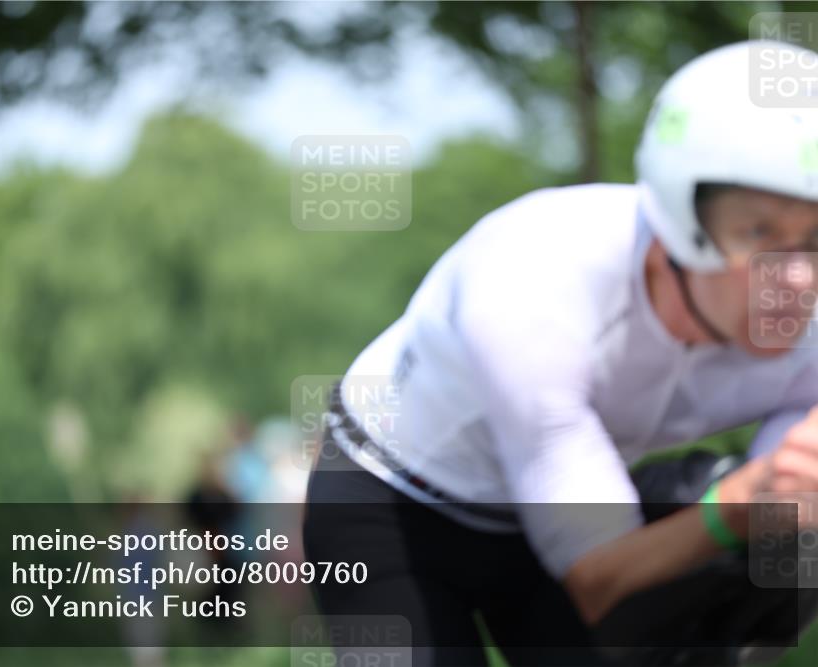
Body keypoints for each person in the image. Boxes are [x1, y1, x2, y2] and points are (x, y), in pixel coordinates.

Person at [302, 40, 818, 667]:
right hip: (391, 502)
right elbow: (598, 575)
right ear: (682, 218)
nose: (797, 279)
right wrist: (740, 503)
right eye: (759, 231)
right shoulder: (532, 281)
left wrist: (783, 504)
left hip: (554, 506)